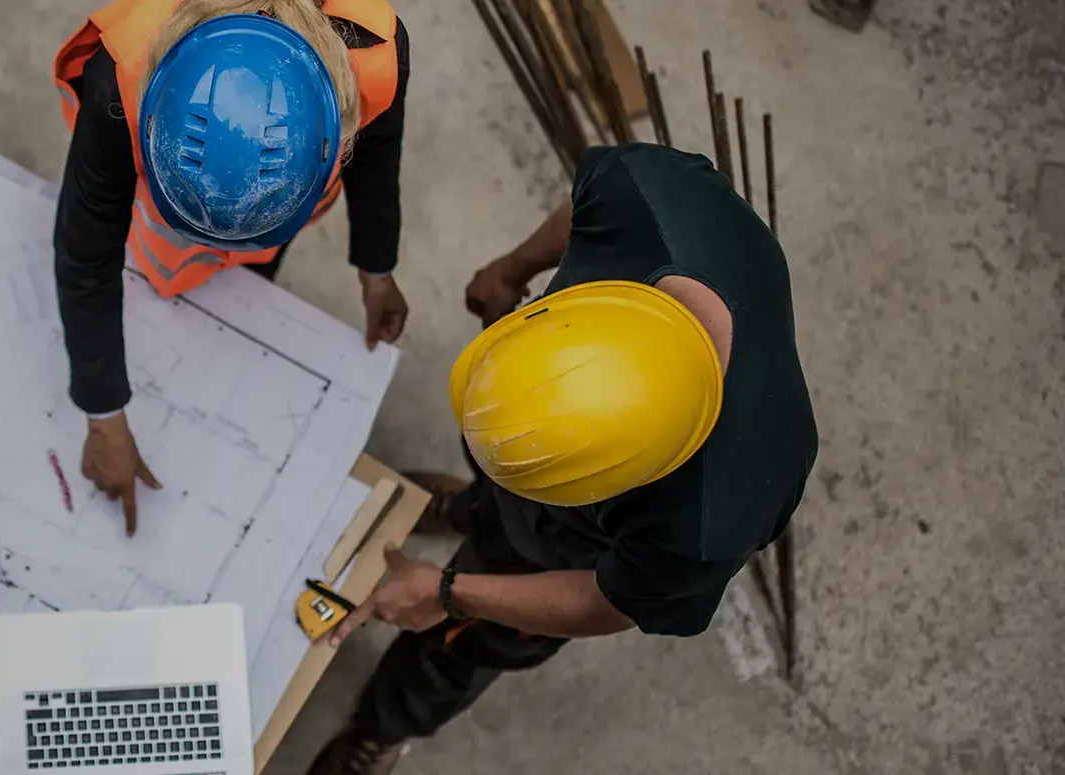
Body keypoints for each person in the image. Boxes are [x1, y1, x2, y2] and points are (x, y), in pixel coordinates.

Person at [306, 143, 819, 775]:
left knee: (457, 647)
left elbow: (603, 602)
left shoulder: (715, 514)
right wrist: (513, 267)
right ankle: (469, 509)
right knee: (499, 491)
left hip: (573, 552)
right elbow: (582, 214)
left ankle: (384, 726)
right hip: (565, 439)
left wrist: (448, 591)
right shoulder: (646, 197)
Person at [52, 0, 414, 534]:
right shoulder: (122, 75)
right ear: (152, 115)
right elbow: (87, 253)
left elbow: (379, 155)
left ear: (334, 138)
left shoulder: (375, 54)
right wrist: (104, 415)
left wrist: (376, 267)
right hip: (158, 241)